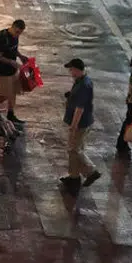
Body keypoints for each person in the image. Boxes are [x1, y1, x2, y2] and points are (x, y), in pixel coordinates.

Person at [59, 58, 100, 191]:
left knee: (74, 149)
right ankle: (74, 177)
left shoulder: (83, 85)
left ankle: (91, 171)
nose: (70, 72)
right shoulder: (81, 81)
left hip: (80, 123)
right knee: (75, 149)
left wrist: (74, 125)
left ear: (77, 69)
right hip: (82, 121)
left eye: (71, 69)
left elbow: (80, 108)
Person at [0, 19, 26, 124]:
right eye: (17, 32)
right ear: (12, 27)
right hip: (3, 71)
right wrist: (11, 62)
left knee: (12, 93)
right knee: (5, 95)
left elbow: (13, 49)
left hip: (12, 70)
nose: (18, 35)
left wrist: (20, 56)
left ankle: (10, 114)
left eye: (20, 33)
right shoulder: (1, 38)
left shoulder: (15, 36)